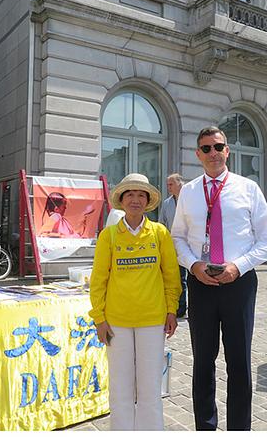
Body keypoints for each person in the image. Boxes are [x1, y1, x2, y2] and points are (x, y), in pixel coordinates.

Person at [171, 126, 267, 431]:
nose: (213, 153)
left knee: (239, 362)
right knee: (203, 361)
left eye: (218, 147)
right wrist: (193, 265)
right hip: (201, 283)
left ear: (227, 151)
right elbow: (177, 237)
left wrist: (238, 266)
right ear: (198, 154)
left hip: (238, 284)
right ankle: (205, 427)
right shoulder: (189, 192)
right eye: (206, 148)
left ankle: (239, 429)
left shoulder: (248, 188)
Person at [89, 173, 180, 431]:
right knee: (120, 387)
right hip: (116, 322)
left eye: (141, 195)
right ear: (121, 200)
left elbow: (171, 276)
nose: (136, 200)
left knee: (150, 388)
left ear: (148, 201)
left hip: (152, 320)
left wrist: (171, 310)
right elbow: (99, 280)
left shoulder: (160, 233)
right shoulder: (108, 236)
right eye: (130, 194)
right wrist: (99, 318)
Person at [159, 173, 188, 317]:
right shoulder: (166, 203)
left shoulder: (190, 200)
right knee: (179, 278)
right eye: (167, 185)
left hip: (192, 246)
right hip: (174, 247)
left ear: (179, 184)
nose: (168, 187)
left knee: (194, 278)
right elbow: (162, 224)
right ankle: (180, 308)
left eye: (171, 184)